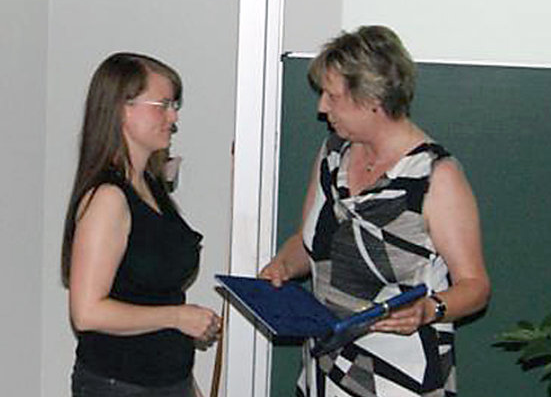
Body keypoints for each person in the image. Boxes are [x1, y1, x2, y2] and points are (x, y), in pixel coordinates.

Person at [260, 26, 491, 396]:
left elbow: (475, 287)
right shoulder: (332, 154)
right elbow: (310, 243)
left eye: (332, 96)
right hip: (325, 370)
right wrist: (282, 267)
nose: (321, 107)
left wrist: (429, 309)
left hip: (402, 377)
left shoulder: (435, 176)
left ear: (372, 98)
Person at [61, 52, 221, 397]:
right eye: (162, 104)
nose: (173, 116)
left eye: (173, 104)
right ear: (122, 108)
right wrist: (178, 317)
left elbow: (157, 294)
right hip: (119, 385)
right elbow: (87, 313)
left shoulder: (150, 187)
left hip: (167, 381)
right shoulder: (109, 198)